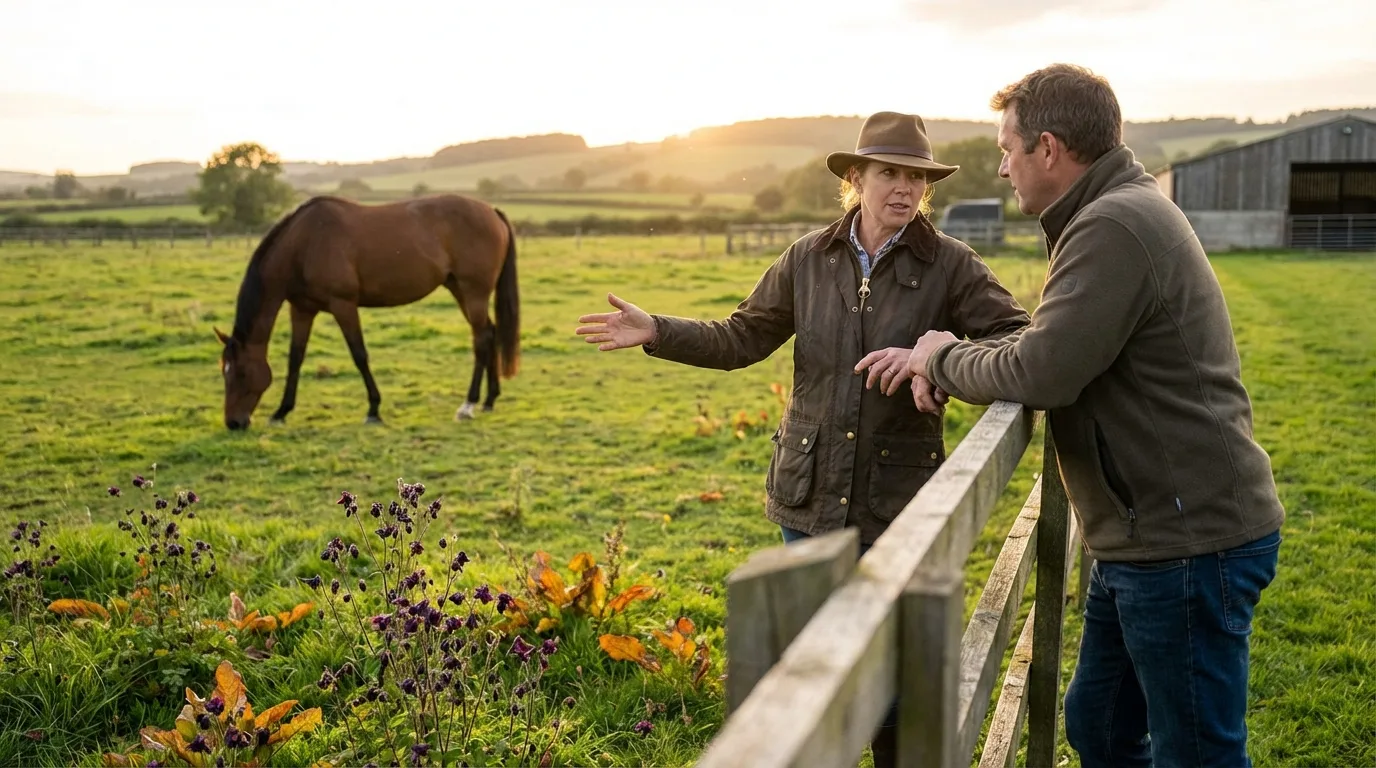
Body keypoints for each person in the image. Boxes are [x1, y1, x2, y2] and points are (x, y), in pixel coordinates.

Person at [576, 111, 1029, 768]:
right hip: (808, 494)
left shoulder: (951, 266)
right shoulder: (807, 259)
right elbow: (741, 338)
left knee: (892, 682)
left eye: (916, 177)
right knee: (817, 669)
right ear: (855, 178)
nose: (903, 188)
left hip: (896, 503)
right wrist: (657, 331)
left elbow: (1016, 339)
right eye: (888, 173)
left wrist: (942, 356)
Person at [906, 64, 1285, 767]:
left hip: (1184, 539)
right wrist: (957, 353)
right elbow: (1056, 339)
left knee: (1197, 752)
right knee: (1101, 724)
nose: (1000, 167)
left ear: (1048, 149)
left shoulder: (1113, 224)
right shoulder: (1111, 211)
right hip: (1144, 532)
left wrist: (940, 359)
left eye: (1006, 147)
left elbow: (1045, 369)